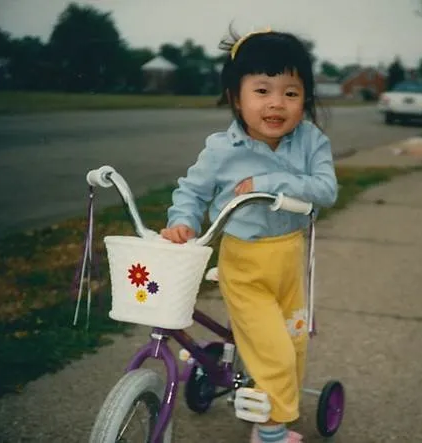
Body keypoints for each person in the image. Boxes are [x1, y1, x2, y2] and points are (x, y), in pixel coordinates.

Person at [160, 26, 338, 443]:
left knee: (292, 345)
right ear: (235, 97)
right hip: (245, 264)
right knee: (271, 350)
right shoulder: (222, 149)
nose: (276, 103)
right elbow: (192, 190)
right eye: (262, 91)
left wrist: (273, 181)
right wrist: (183, 221)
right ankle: (270, 430)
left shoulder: (311, 140)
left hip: (289, 260)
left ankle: (271, 400)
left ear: (305, 100)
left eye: (291, 93)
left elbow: (325, 189)